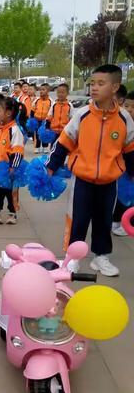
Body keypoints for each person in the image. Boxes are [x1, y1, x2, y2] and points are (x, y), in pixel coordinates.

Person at [47, 64, 134, 277]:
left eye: (101, 83)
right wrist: (51, 167)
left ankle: (101, 257)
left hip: (109, 182)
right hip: (82, 180)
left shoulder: (124, 119)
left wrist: (131, 174)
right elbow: (64, 142)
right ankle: (72, 257)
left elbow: (130, 149)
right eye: (92, 83)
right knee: (79, 218)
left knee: (104, 219)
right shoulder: (82, 114)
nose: (94, 87)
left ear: (115, 87)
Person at [0, 96, 26, 225]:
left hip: (10, 170)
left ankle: (12, 213)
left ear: (8, 113)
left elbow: (18, 151)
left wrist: (13, 167)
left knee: (11, 193)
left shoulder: (15, 130)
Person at [111, 88, 134, 237]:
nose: (130, 110)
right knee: (123, 195)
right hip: (124, 168)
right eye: (127, 106)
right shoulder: (122, 123)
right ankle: (116, 220)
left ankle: (126, 223)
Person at [32, 83, 53, 153]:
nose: (41, 91)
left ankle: (45, 147)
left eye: (43, 89)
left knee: (45, 133)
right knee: (37, 134)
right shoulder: (37, 100)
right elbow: (33, 110)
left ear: (48, 91)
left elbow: (52, 112)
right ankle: (37, 147)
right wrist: (32, 119)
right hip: (37, 120)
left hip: (45, 120)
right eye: (40, 90)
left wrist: (49, 120)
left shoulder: (51, 101)